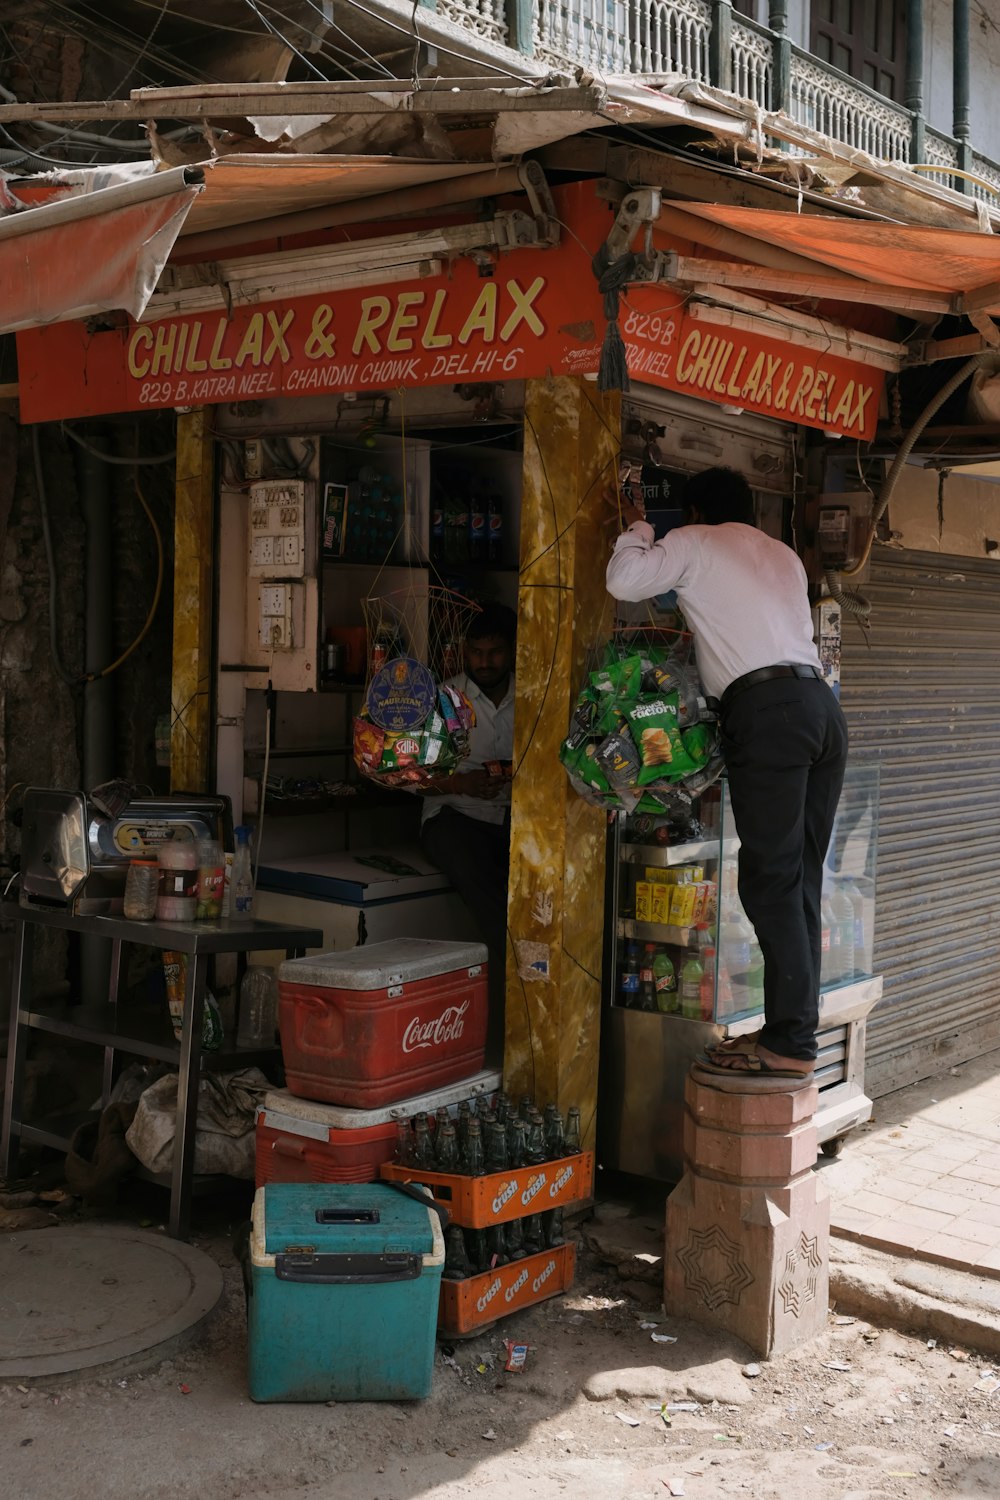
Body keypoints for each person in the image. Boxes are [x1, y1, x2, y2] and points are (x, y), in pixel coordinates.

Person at [605, 466, 848, 1079]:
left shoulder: (694, 542)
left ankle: (790, 1045)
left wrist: (637, 524)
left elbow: (624, 579)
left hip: (771, 717)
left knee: (769, 885)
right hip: (821, 709)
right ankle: (792, 1034)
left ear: (692, 515)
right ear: (748, 513)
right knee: (800, 883)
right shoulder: (783, 554)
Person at [418, 602, 516, 1062]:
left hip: (511, 820)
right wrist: (462, 782)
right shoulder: (445, 699)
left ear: (511, 652)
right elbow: (414, 772)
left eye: (495, 652)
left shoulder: (533, 694)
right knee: (497, 916)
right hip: (454, 818)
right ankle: (498, 1037)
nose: (485, 662)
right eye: (476, 652)